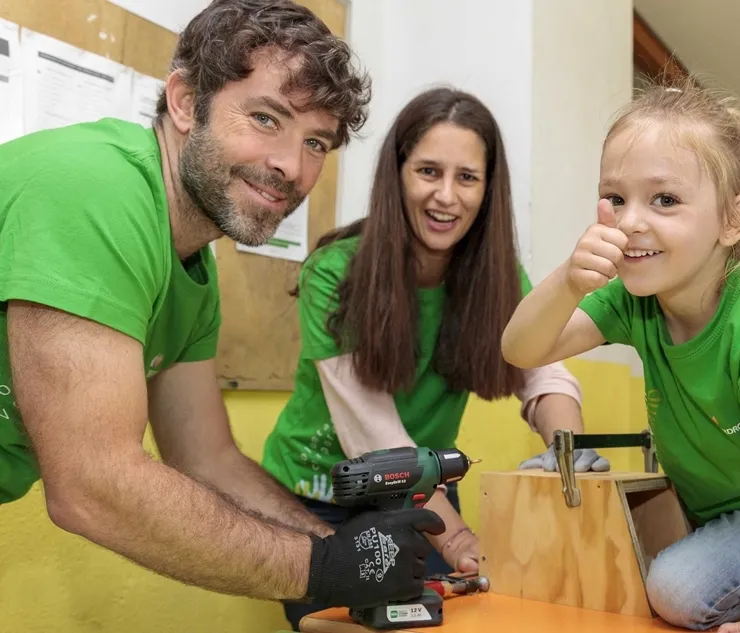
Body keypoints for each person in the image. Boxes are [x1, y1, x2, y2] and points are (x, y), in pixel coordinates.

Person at [0, 0, 447, 611]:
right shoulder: (95, 191)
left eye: (315, 141)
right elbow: (91, 485)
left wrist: (343, 547)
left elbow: (205, 458)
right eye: (266, 118)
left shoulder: (192, 265)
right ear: (185, 102)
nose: (290, 165)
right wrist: (328, 569)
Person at [501, 75, 740, 633]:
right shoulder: (632, 297)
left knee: (673, 591)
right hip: (709, 506)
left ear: (733, 220)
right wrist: (569, 281)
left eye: (664, 200)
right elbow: (521, 348)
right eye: (616, 199)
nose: (631, 221)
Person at [259, 85, 609, 630]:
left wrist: (571, 455)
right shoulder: (334, 272)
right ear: (396, 174)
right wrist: (463, 539)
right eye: (428, 171)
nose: (447, 196)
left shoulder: (500, 281)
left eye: (467, 177)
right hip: (315, 501)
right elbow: (373, 434)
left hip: (424, 492)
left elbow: (546, 373)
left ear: (488, 189)